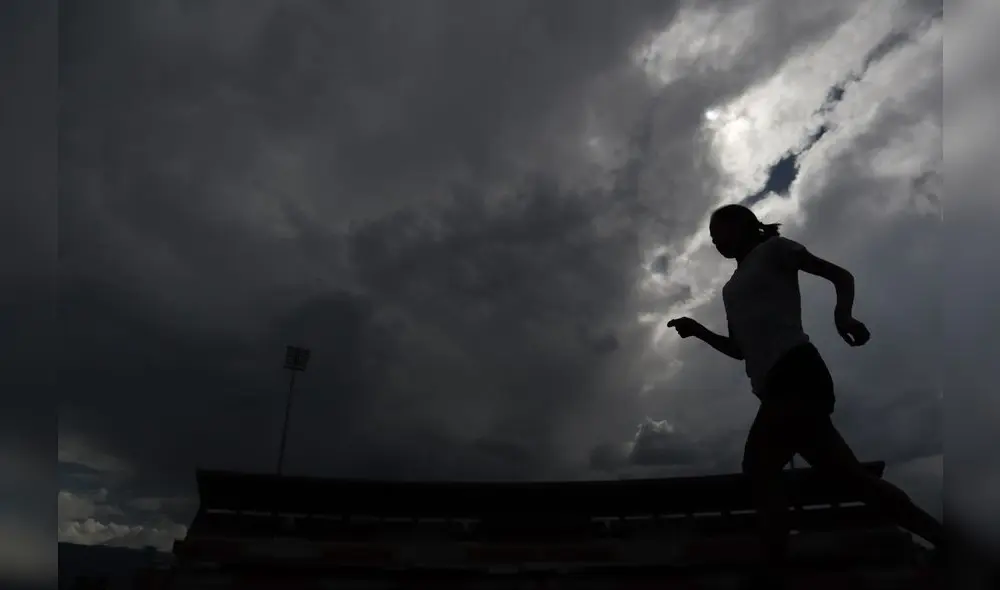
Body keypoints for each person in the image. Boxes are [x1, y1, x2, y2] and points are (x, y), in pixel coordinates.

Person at [667, 203, 945, 585]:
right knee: (854, 481)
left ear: (745, 227)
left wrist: (842, 315)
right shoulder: (730, 289)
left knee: (760, 467)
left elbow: (839, 275)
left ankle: (774, 566)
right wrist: (697, 330)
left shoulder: (775, 250)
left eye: (722, 229)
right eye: (712, 234)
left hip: (797, 372)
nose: (716, 239)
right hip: (775, 388)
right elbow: (739, 349)